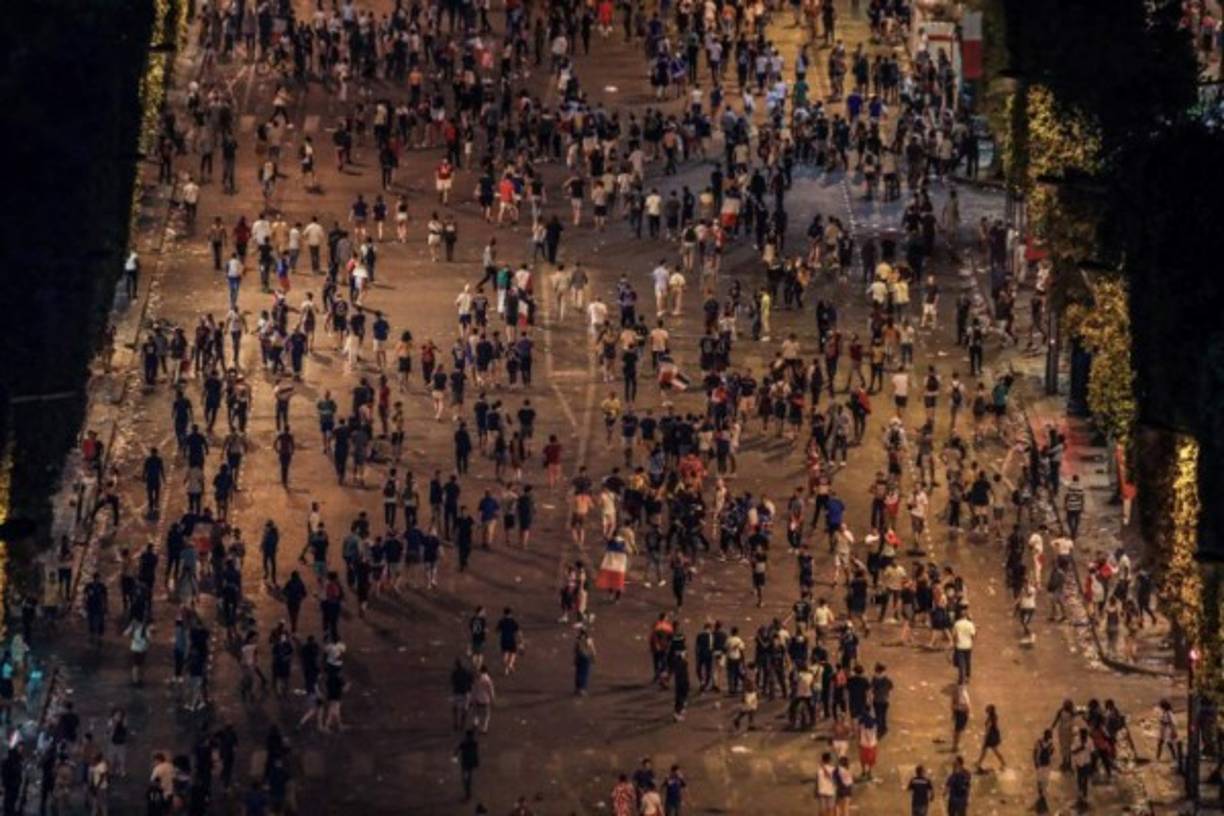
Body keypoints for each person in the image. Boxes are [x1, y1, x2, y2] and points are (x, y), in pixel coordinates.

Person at [455, 729, 479, 801]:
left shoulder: (464, 743)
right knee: (467, 779)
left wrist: (455, 756)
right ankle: (468, 794)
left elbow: (457, 750)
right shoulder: (474, 743)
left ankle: (468, 794)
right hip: (469, 764)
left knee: (466, 780)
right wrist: (476, 762)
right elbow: (475, 753)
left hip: (466, 764)